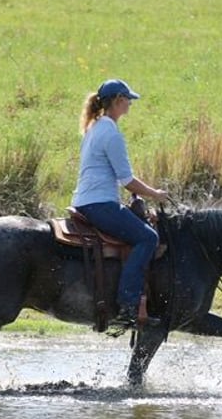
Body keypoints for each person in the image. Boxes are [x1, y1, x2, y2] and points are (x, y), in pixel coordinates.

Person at [72, 79, 168, 327]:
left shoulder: (93, 129)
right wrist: (155, 194)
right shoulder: (111, 134)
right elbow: (127, 180)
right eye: (128, 100)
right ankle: (128, 304)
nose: (130, 104)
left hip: (85, 201)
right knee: (148, 238)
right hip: (100, 204)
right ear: (117, 101)